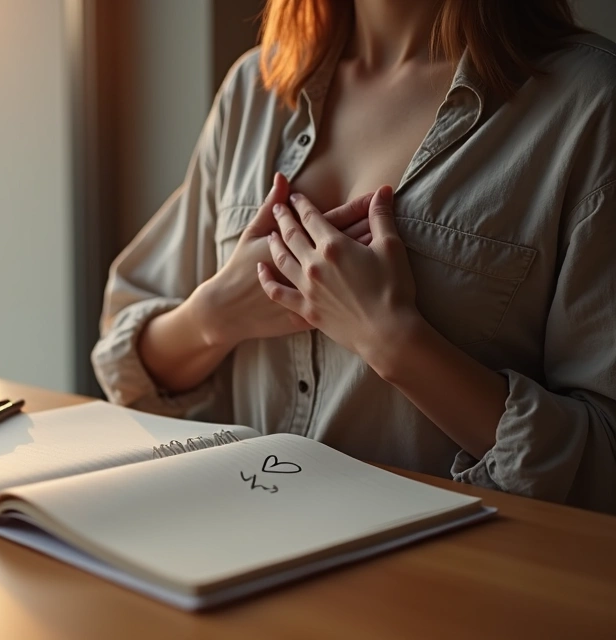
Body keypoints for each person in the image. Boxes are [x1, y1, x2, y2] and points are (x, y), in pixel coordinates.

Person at [92, 0, 616, 513]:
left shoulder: (590, 104)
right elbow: (124, 365)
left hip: (451, 583)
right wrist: (213, 316)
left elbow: (603, 465)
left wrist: (392, 341)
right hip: (241, 556)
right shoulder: (255, 89)